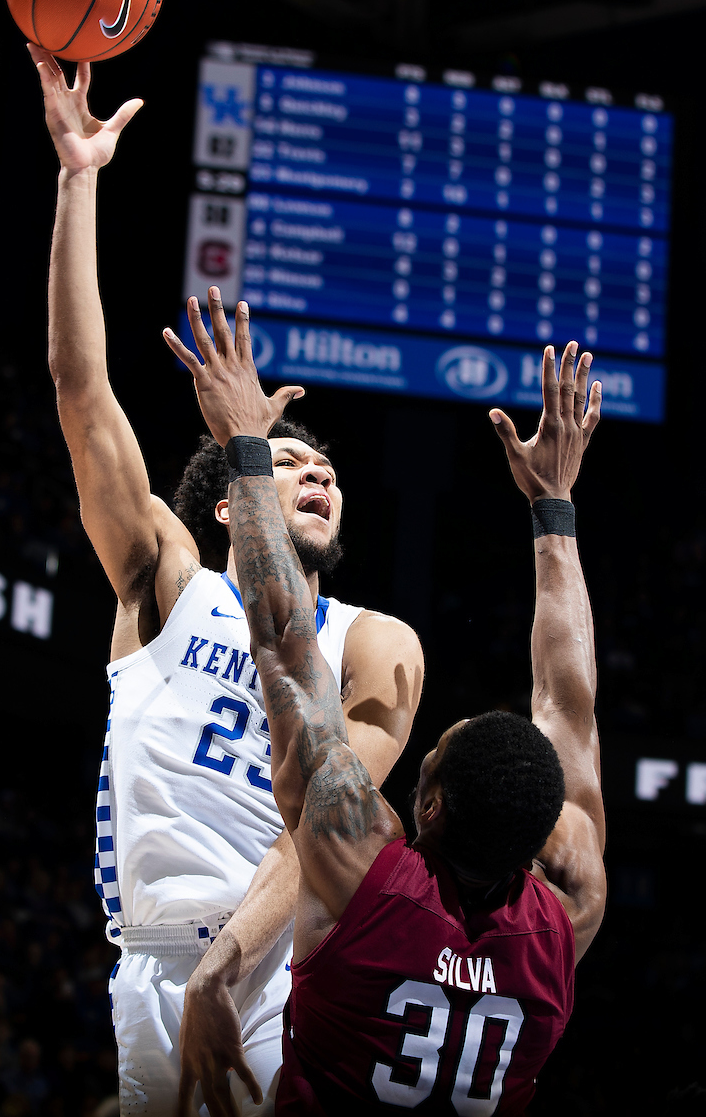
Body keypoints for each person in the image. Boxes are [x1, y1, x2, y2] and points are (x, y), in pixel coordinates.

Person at [28, 47, 424, 1117]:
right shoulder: (165, 574)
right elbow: (79, 385)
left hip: (276, 951)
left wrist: (234, 961)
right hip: (153, 951)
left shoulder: (372, 642)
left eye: (326, 468)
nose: (320, 472)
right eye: (289, 461)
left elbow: (329, 830)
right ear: (226, 501)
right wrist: (79, 177)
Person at [166, 299, 606, 1115]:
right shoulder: (565, 919)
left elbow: (288, 648)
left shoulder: (361, 867)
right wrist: (554, 512)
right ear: (542, 836)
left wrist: (246, 451)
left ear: (427, 803)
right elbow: (570, 706)